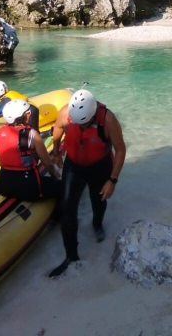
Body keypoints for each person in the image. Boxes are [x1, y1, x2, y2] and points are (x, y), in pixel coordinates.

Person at [48, 89, 126, 278]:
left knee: (98, 199)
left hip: (100, 165)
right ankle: (71, 256)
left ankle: (97, 224)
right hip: (73, 165)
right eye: (78, 123)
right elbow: (57, 129)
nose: (81, 127)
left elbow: (120, 149)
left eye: (85, 123)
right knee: (67, 208)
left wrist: (112, 180)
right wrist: (56, 152)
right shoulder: (66, 112)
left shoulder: (108, 119)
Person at [0, 99, 62, 205]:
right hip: (28, 188)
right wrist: (55, 178)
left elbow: (0, 161)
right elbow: (48, 163)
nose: (30, 115)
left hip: (4, 186)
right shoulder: (32, 134)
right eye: (28, 113)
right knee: (64, 186)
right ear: (25, 115)